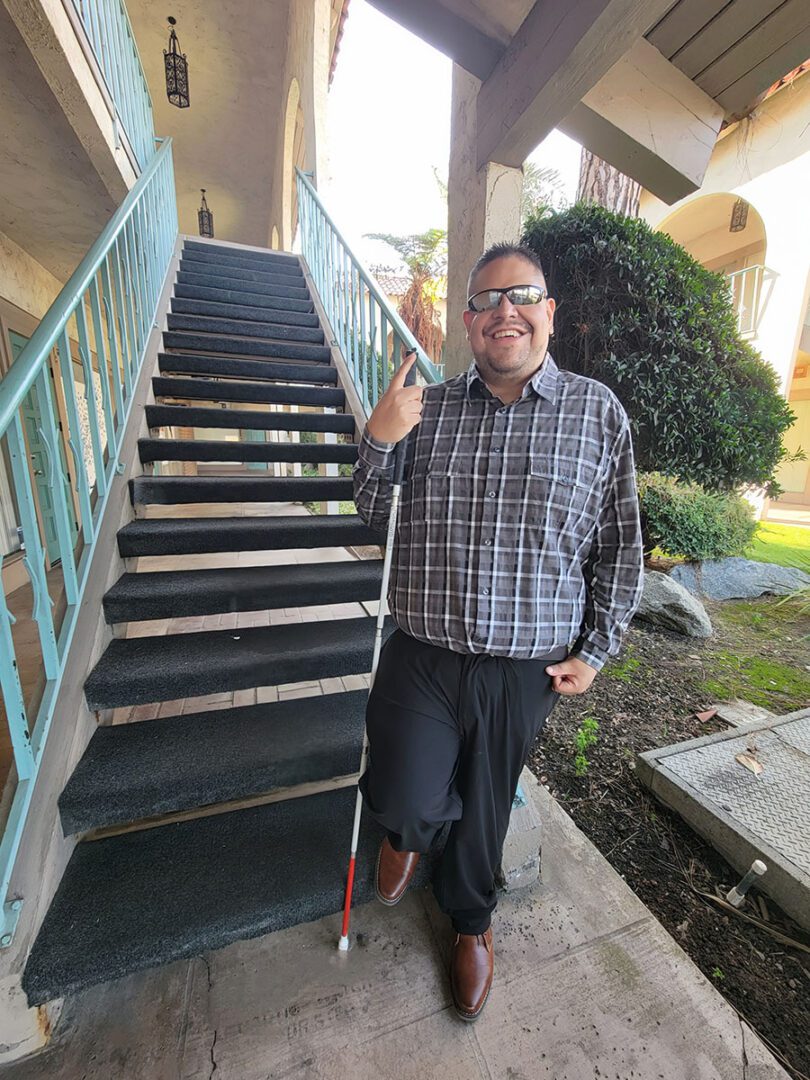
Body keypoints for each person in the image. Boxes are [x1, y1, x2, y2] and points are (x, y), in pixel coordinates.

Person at [352, 242, 644, 1022]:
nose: (502, 312)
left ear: (549, 312)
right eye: (485, 301)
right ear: (470, 323)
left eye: (521, 296)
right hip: (422, 649)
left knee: (487, 805)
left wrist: (596, 647)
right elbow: (374, 517)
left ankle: (471, 922)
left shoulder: (597, 414)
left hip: (525, 665)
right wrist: (379, 438)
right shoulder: (429, 410)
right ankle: (406, 834)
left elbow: (619, 544)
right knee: (407, 795)